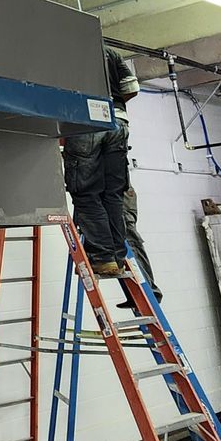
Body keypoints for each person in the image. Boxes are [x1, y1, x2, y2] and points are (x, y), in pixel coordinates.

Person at [63, 52, 160, 301]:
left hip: (85, 121)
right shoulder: (107, 50)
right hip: (118, 122)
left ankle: (104, 258)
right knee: (112, 196)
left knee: (86, 193)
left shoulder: (60, 46)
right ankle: (116, 257)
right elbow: (131, 88)